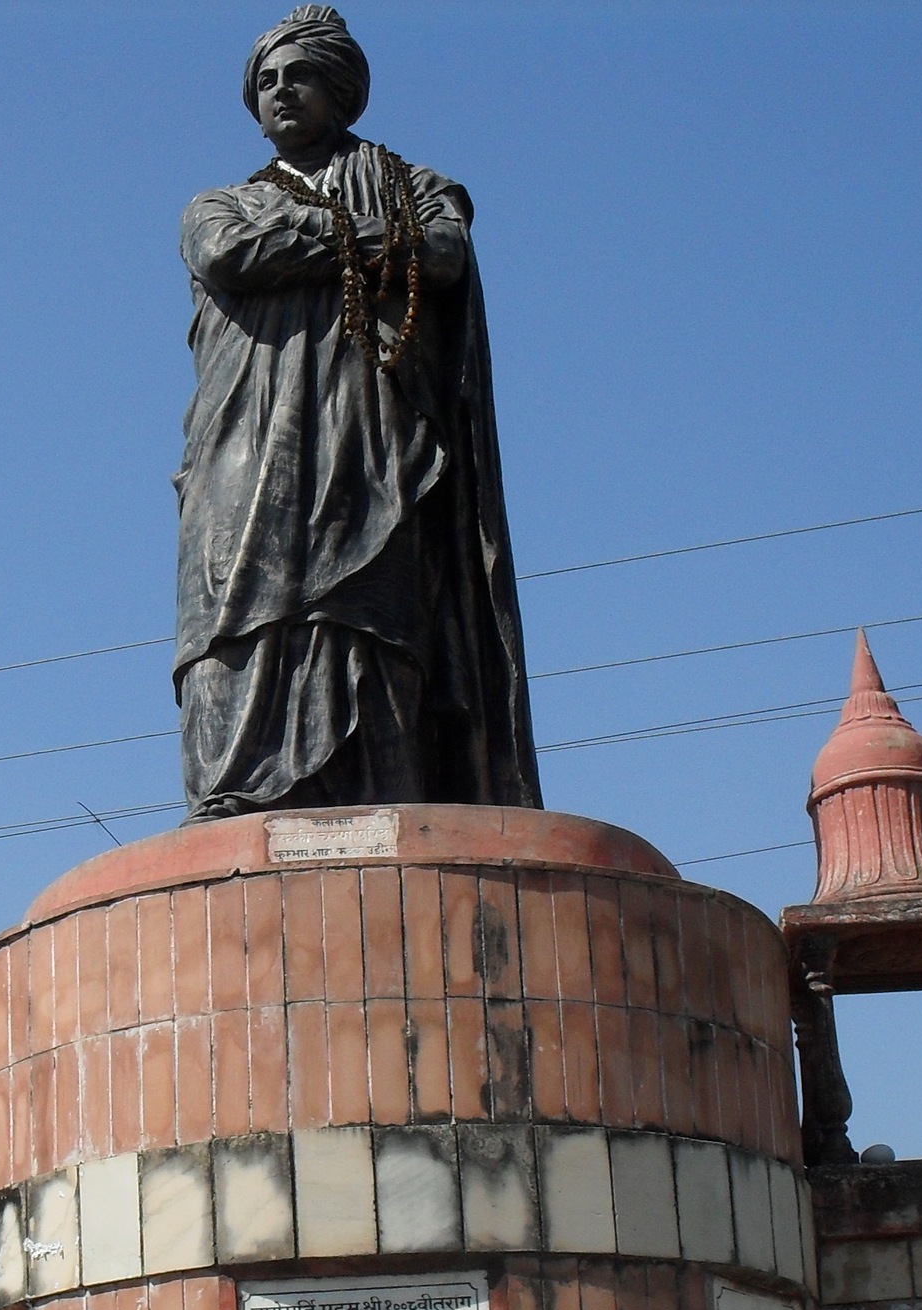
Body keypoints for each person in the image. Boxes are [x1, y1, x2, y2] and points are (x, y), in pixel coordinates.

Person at [174, 6, 543, 819]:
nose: (281, 91)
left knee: (372, 614)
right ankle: (237, 795)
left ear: (340, 89)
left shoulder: (422, 189)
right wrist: (365, 236)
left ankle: (387, 793)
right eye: (266, 80)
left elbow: (442, 254)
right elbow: (232, 253)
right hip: (244, 444)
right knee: (235, 610)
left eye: (300, 75)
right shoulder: (217, 205)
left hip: (374, 442)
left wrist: (325, 235)